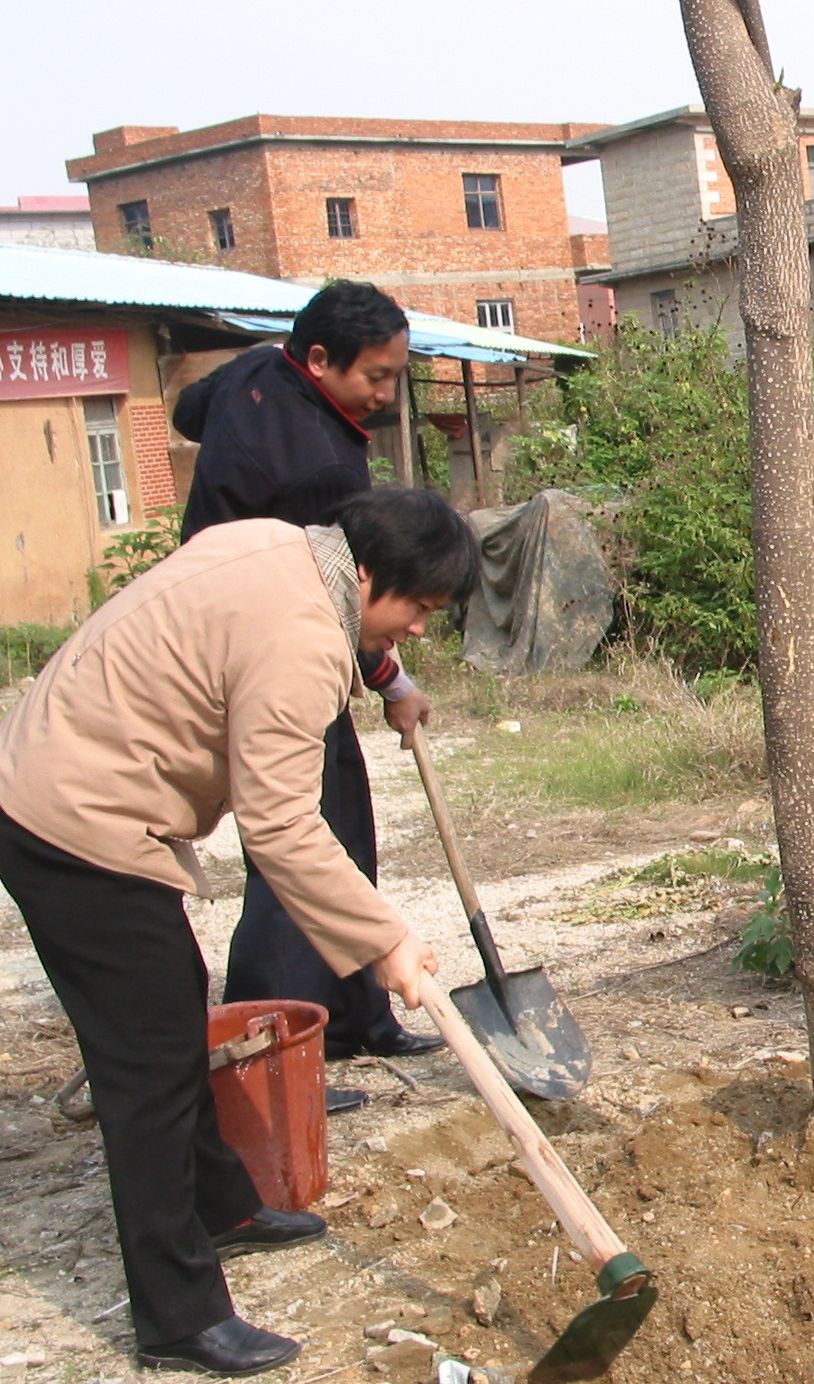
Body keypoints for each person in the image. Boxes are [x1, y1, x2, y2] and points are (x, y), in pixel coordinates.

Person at [0, 487, 478, 1374]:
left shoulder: (281, 547)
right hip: (72, 818)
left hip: (62, 776)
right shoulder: (301, 639)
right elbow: (282, 826)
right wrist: (384, 941)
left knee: (173, 1007)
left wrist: (386, 676)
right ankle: (178, 1317)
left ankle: (223, 1206)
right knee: (145, 1071)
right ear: (368, 573)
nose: (418, 628)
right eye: (417, 606)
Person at [175, 281, 444, 1109]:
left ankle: (357, 1014)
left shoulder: (256, 370)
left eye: (395, 374)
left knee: (345, 827)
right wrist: (393, 681)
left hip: (247, 623)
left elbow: (188, 410)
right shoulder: (319, 468)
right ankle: (275, 1047)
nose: (386, 394)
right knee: (293, 844)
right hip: (260, 649)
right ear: (320, 359)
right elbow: (353, 599)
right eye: (376, 376)